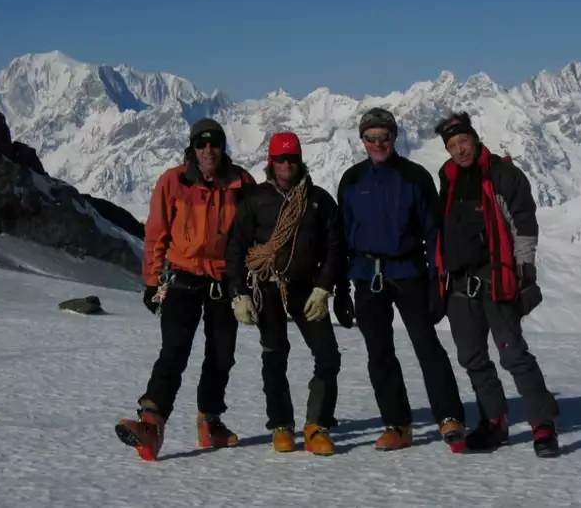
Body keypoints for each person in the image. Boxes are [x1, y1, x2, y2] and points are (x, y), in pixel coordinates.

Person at [114, 118, 255, 461]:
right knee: (174, 350)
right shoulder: (173, 181)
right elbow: (156, 233)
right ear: (192, 148)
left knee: (222, 354)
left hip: (223, 278)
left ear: (223, 147)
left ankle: (210, 421)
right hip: (183, 275)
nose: (209, 150)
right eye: (201, 144)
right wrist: (151, 282)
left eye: (215, 143)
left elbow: (254, 230)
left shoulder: (241, 182)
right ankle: (150, 424)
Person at [335, 107, 467, 453]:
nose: (378, 143)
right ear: (362, 140)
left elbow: (433, 233)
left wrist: (438, 282)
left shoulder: (415, 177)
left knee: (427, 346)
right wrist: (341, 287)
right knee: (379, 353)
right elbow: (342, 236)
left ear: (395, 137)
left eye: (385, 137)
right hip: (366, 275)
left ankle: (449, 415)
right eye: (371, 138)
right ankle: (398, 425)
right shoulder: (351, 180)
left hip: (408, 271)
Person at [432, 111, 560, 458]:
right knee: (472, 357)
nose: (459, 149)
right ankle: (494, 422)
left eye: (463, 141)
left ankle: (543, 425)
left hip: (496, 278)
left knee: (513, 353)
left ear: (475, 138)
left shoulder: (503, 175)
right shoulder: (448, 177)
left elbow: (524, 223)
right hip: (459, 283)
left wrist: (526, 271)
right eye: (452, 145)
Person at [225, 132, 344, 456]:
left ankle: (317, 424)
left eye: (291, 158)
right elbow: (236, 247)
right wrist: (239, 293)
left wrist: (324, 287)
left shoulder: (318, 201)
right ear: (271, 162)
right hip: (268, 285)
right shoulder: (254, 200)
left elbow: (335, 248)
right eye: (281, 159)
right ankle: (281, 424)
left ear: (300, 160)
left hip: (307, 287)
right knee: (274, 354)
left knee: (328, 354)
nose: (286, 164)